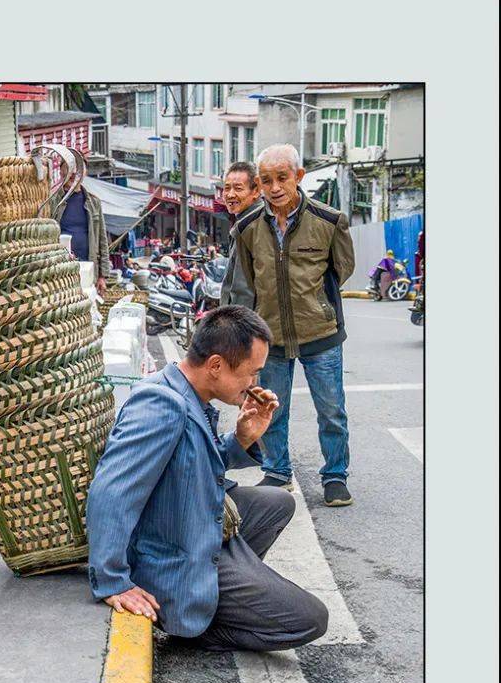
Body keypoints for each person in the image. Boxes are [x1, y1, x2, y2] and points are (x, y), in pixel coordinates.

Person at [86, 306, 328, 652]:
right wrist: (112, 581)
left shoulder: (188, 391)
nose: (253, 385)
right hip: (171, 548)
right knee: (310, 618)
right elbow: (111, 493)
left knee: (278, 502)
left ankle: (221, 583)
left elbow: (194, 464)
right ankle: (194, 623)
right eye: (250, 373)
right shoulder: (161, 404)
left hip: (191, 521)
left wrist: (243, 438)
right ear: (215, 365)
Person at [233, 144, 356, 506]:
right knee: (272, 407)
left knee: (331, 409)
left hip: (320, 333)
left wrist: (315, 300)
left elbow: (341, 268)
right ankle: (277, 470)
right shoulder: (247, 227)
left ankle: (335, 475)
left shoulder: (329, 221)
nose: (274, 187)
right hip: (270, 337)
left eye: (282, 178)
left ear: (299, 177)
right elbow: (246, 285)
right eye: (266, 180)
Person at [49, 182, 112, 295]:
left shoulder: (93, 202)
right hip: (61, 270)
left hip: (88, 268)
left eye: (79, 168)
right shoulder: (53, 201)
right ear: (62, 169)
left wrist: (103, 276)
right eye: (70, 167)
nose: (74, 173)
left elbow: (102, 240)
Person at [219, 161, 263, 308]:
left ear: (255, 191)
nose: (230, 195)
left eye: (238, 188)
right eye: (226, 188)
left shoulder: (251, 225)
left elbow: (242, 289)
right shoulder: (245, 220)